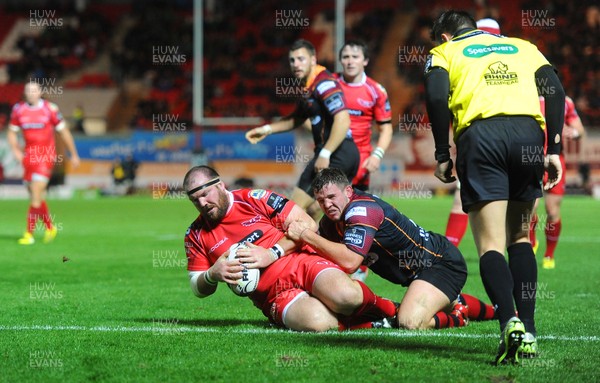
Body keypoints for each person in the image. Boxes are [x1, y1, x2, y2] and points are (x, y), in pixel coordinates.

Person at [424, 10, 564, 364]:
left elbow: (437, 97)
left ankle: (509, 323)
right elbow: (556, 91)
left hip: (482, 135)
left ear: (444, 36)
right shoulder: (523, 46)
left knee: (490, 244)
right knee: (519, 237)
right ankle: (530, 329)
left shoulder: (445, 52)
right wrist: (556, 149)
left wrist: (443, 152)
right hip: (528, 137)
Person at [183, 165, 398, 332]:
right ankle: (371, 323)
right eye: (195, 200)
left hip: (302, 263)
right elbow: (197, 286)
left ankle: (392, 310)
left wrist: (271, 253)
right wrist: (212, 275)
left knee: (345, 297)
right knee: (321, 323)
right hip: (274, 296)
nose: (202, 203)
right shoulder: (195, 234)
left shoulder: (253, 199)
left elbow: (308, 224)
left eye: (206, 194)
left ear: (220, 185)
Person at [287, 168, 496, 331]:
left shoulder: (363, 210)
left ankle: (458, 317)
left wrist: (306, 235)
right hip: (417, 272)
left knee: (409, 321)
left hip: (439, 263)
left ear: (348, 191)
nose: (327, 204)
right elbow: (321, 257)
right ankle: (498, 310)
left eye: (332, 197)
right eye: (321, 200)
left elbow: (350, 262)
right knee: (435, 301)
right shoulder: (330, 223)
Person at [245, 39, 359, 221]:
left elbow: (343, 120)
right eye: (292, 60)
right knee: (315, 212)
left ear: (313, 59)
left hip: (338, 153)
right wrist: (266, 129)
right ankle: (321, 248)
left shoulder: (324, 83)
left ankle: (278, 249)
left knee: (291, 213)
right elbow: (295, 119)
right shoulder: (308, 86)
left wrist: (325, 153)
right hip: (337, 154)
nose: (296, 64)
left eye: (301, 59)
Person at [334, 39, 394, 282]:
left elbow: (386, 128)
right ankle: (333, 262)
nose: (350, 61)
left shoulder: (375, 90)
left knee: (356, 213)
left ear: (365, 61)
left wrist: (377, 155)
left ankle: (361, 266)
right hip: (335, 160)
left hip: (360, 163)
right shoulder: (331, 86)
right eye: (346, 56)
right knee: (330, 213)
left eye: (355, 56)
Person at [443, 18, 501, 248]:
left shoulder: (461, 63)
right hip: (512, 140)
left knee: (463, 201)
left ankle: (447, 255)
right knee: (510, 207)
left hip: (478, 140)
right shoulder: (512, 59)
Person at [7, 81, 80, 245]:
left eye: (34, 90)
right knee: (36, 196)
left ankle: (29, 234)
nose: (31, 93)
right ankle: (50, 227)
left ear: (40, 92)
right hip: (28, 158)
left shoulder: (50, 109)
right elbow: (11, 132)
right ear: (25, 93)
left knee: (35, 194)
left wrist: (73, 154)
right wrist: (16, 150)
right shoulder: (19, 110)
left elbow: (64, 132)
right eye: (28, 91)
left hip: (45, 157)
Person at [530, 95, 585, 269]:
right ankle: (531, 242)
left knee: (552, 211)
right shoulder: (526, 94)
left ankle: (549, 254)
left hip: (555, 159)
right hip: (531, 158)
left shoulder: (565, 101)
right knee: (529, 207)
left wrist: (573, 132)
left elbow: (579, 130)